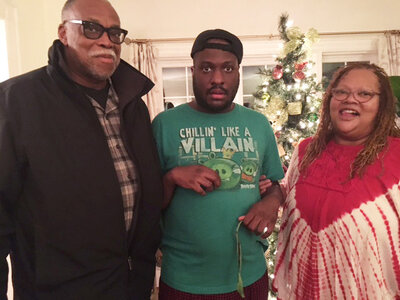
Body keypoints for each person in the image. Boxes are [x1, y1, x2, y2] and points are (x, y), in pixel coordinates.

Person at [0, 0, 163, 299]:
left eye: (115, 33)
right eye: (91, 28)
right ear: (63, 33)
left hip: (132, 286)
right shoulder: (16, 101)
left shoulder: (133, 105)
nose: (106, 40)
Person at [152, 29, 285, 299]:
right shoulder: (164, 125)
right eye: (206, 68)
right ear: (193, 71)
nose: (217, 79)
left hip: (248, 276)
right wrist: (172, 177)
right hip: (183, 280)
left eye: (227, 68)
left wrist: (271, 202)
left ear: (238, 71)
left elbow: (275, 185)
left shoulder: (258, 124)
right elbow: (147, 204)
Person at [272, 63, 400, 299]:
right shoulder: (306, 150)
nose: (350, 100)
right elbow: (287, 194)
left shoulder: (397, 155)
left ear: (382, 105)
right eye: (341, 92)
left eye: (364, 94)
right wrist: (269, 193)